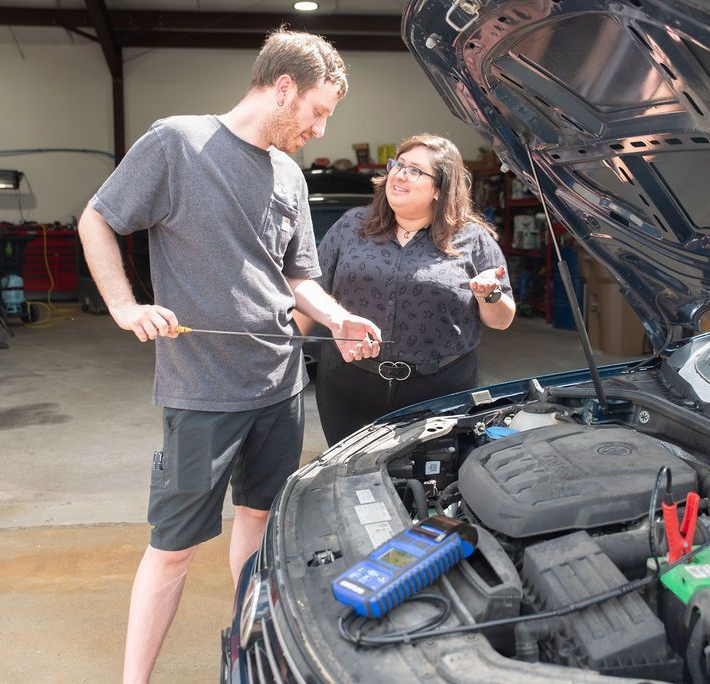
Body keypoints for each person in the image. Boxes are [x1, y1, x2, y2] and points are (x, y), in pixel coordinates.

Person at [77, 29, 381, 683]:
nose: (320, 129)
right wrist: (125, 306)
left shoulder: (289, 176)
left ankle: (247, 651)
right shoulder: (177, 143)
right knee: (173, 547)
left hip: (279, 386)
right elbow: (96, 218)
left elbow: (298, 277)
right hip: (201, 391)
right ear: (283, 88)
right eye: (318, 112)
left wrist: (337, 317)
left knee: (260, 520)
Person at [309, 134, 516, 446]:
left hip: (439, 391)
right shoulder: (352, 225)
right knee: (350, 471)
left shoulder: (472, 239)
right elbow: (312, 288)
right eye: (398, 165)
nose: (400, 174)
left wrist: (489, 294)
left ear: (439, 188)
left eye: (415, 170)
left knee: (429, 474)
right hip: (348, 384)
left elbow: (501, 320)